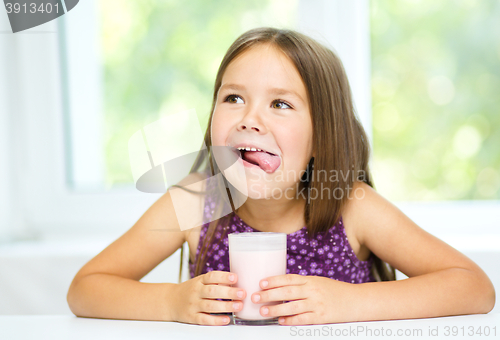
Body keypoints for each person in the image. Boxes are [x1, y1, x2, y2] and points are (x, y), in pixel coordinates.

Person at [67, 27, 495, 326]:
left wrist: (348, 303)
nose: (250, 119)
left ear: (321, 138)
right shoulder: (201, 201)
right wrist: (171, 301)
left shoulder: (352, 205)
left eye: (281, 104)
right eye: (234, 98)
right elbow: (85, 289)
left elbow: (474, 288)